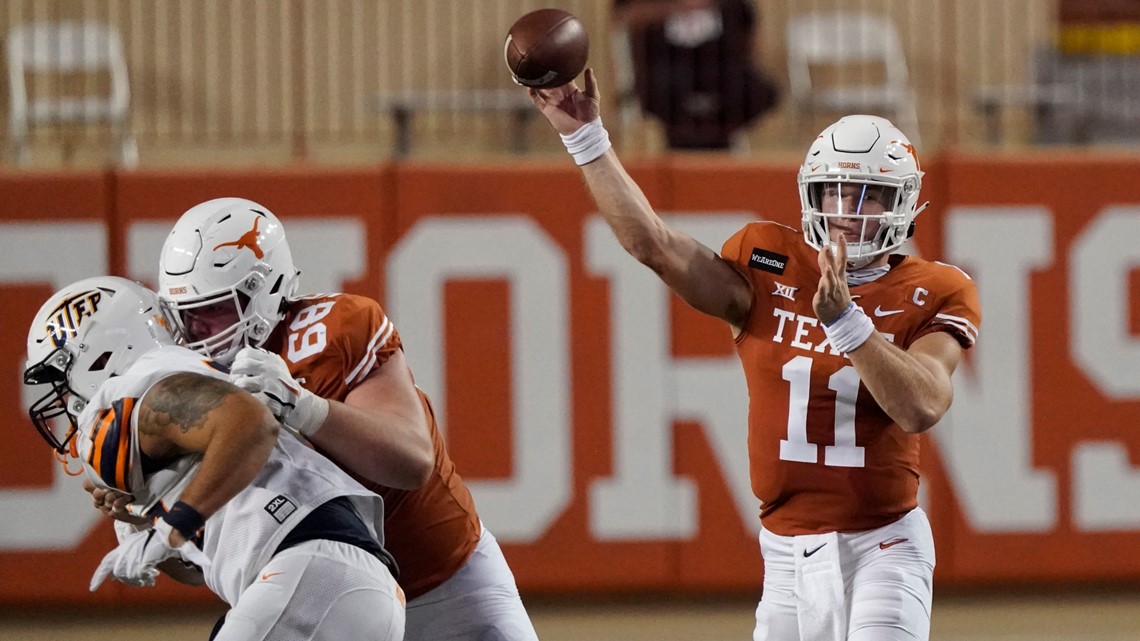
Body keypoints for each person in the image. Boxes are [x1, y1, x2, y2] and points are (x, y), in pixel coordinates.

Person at [527, 71, 980, 641]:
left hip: (883, 548)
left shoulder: (937, 288)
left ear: (905, 204)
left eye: (871, 194)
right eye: (836, 190)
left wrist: (847, 323)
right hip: (786, 557)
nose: (849, 209)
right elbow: (655, 246)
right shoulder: (769, 259)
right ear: (812, 192)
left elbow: (922, 406)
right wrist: (586, 138)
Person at [146, 198, 539, 641]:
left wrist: (303, 406)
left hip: (446, 582)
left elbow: (411, 460)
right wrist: (154, 524)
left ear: (265, 289)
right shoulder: (188, 387)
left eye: (213, 311)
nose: (198, 333)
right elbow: (213, 562)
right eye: (186, 316)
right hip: (329, 591)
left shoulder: (334, 330)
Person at [23, 276, 405, 641]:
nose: (60, 399)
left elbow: (251, 423)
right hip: (337, 580)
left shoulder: (151, 387)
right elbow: (199, 567)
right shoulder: (164, 393)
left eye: (59, 378)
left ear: (96, 355)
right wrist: (146, 524)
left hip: (315, 570)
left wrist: (173, 526)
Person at [613, 0, 778, 149]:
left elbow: (747, 24)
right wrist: (678, 7)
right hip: (670, 70)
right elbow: (625, 15)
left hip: (720, 71)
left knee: (753, 90)